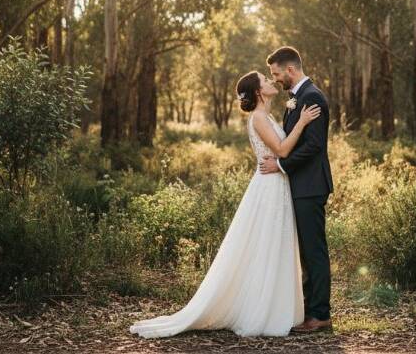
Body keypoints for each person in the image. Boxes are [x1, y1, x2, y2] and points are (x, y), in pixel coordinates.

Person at [128, 70, 321, 338]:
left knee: (274, 244)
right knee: (266, 244)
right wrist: (301, 122)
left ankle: (278, 306)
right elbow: (283, 150)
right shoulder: (259, 118)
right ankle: (261, 308)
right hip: (268, 188)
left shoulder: (267, 116)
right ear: (258, 92)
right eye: (265, 81)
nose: (271, 81)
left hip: (276, 184)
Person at [259, 46, 334, 332]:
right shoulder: (296, 99)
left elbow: (315, 146)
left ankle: (320, 315)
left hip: (311, 185)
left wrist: (280, 166)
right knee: (305, 250)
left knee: (314, 250)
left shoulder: (311, 97)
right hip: (301, 184)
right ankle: (310, 310)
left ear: (290, 70)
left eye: (276, 73)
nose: (275, 79)